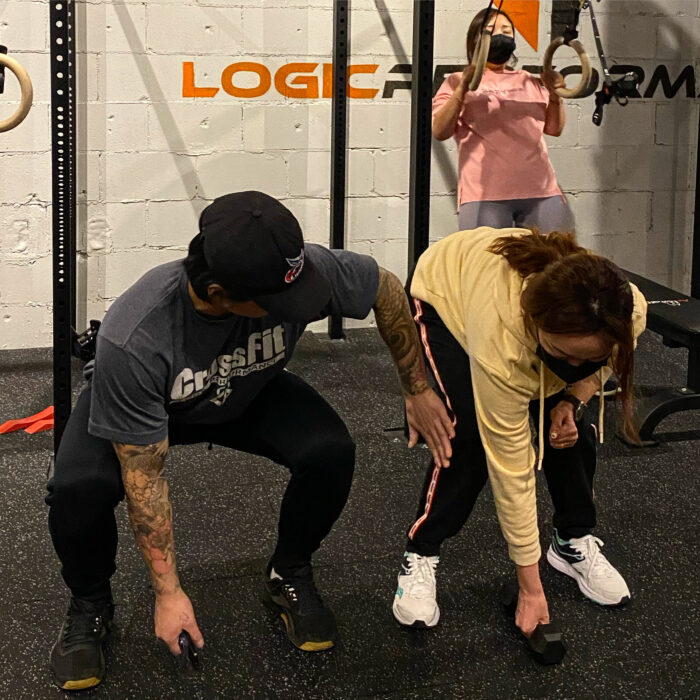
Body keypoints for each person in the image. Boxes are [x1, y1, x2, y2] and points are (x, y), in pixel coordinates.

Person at [46, 191, 454, 691]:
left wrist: (417, 387)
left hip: (245, 388)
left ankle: (288, 573)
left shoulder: (300, 272)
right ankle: (90, 603)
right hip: (153, 405)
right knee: (77, 489)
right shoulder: (136, 336)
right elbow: (144, 479)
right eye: (278, 304)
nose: (298, 307)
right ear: (218, 294)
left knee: (330, 451)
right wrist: (168, 593)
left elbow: (385, 288)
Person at [391, 226, 648, 636]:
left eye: (589, 357)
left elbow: (607, 361)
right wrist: (530, 588)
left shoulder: (627, 310)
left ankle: (571, 541)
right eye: (563, 354)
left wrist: (571, 400)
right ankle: (421, 551)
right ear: (536, 324)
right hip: (446, 294)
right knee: (469, 438)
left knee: (569, 429)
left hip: (527, 318)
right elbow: (511, 467)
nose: (574, 366)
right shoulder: (503, 340)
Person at [432, 6, 572, 233]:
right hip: (484, 195)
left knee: (554, 256)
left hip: (541, 191)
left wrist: (555, 94)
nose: (501, 36)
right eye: (492, 30)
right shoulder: (457, 81)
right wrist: (462, 89)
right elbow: (440, 131)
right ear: (476, 39)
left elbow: (554, 129)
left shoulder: (528, 79)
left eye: (507, 31)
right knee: (484, 256)